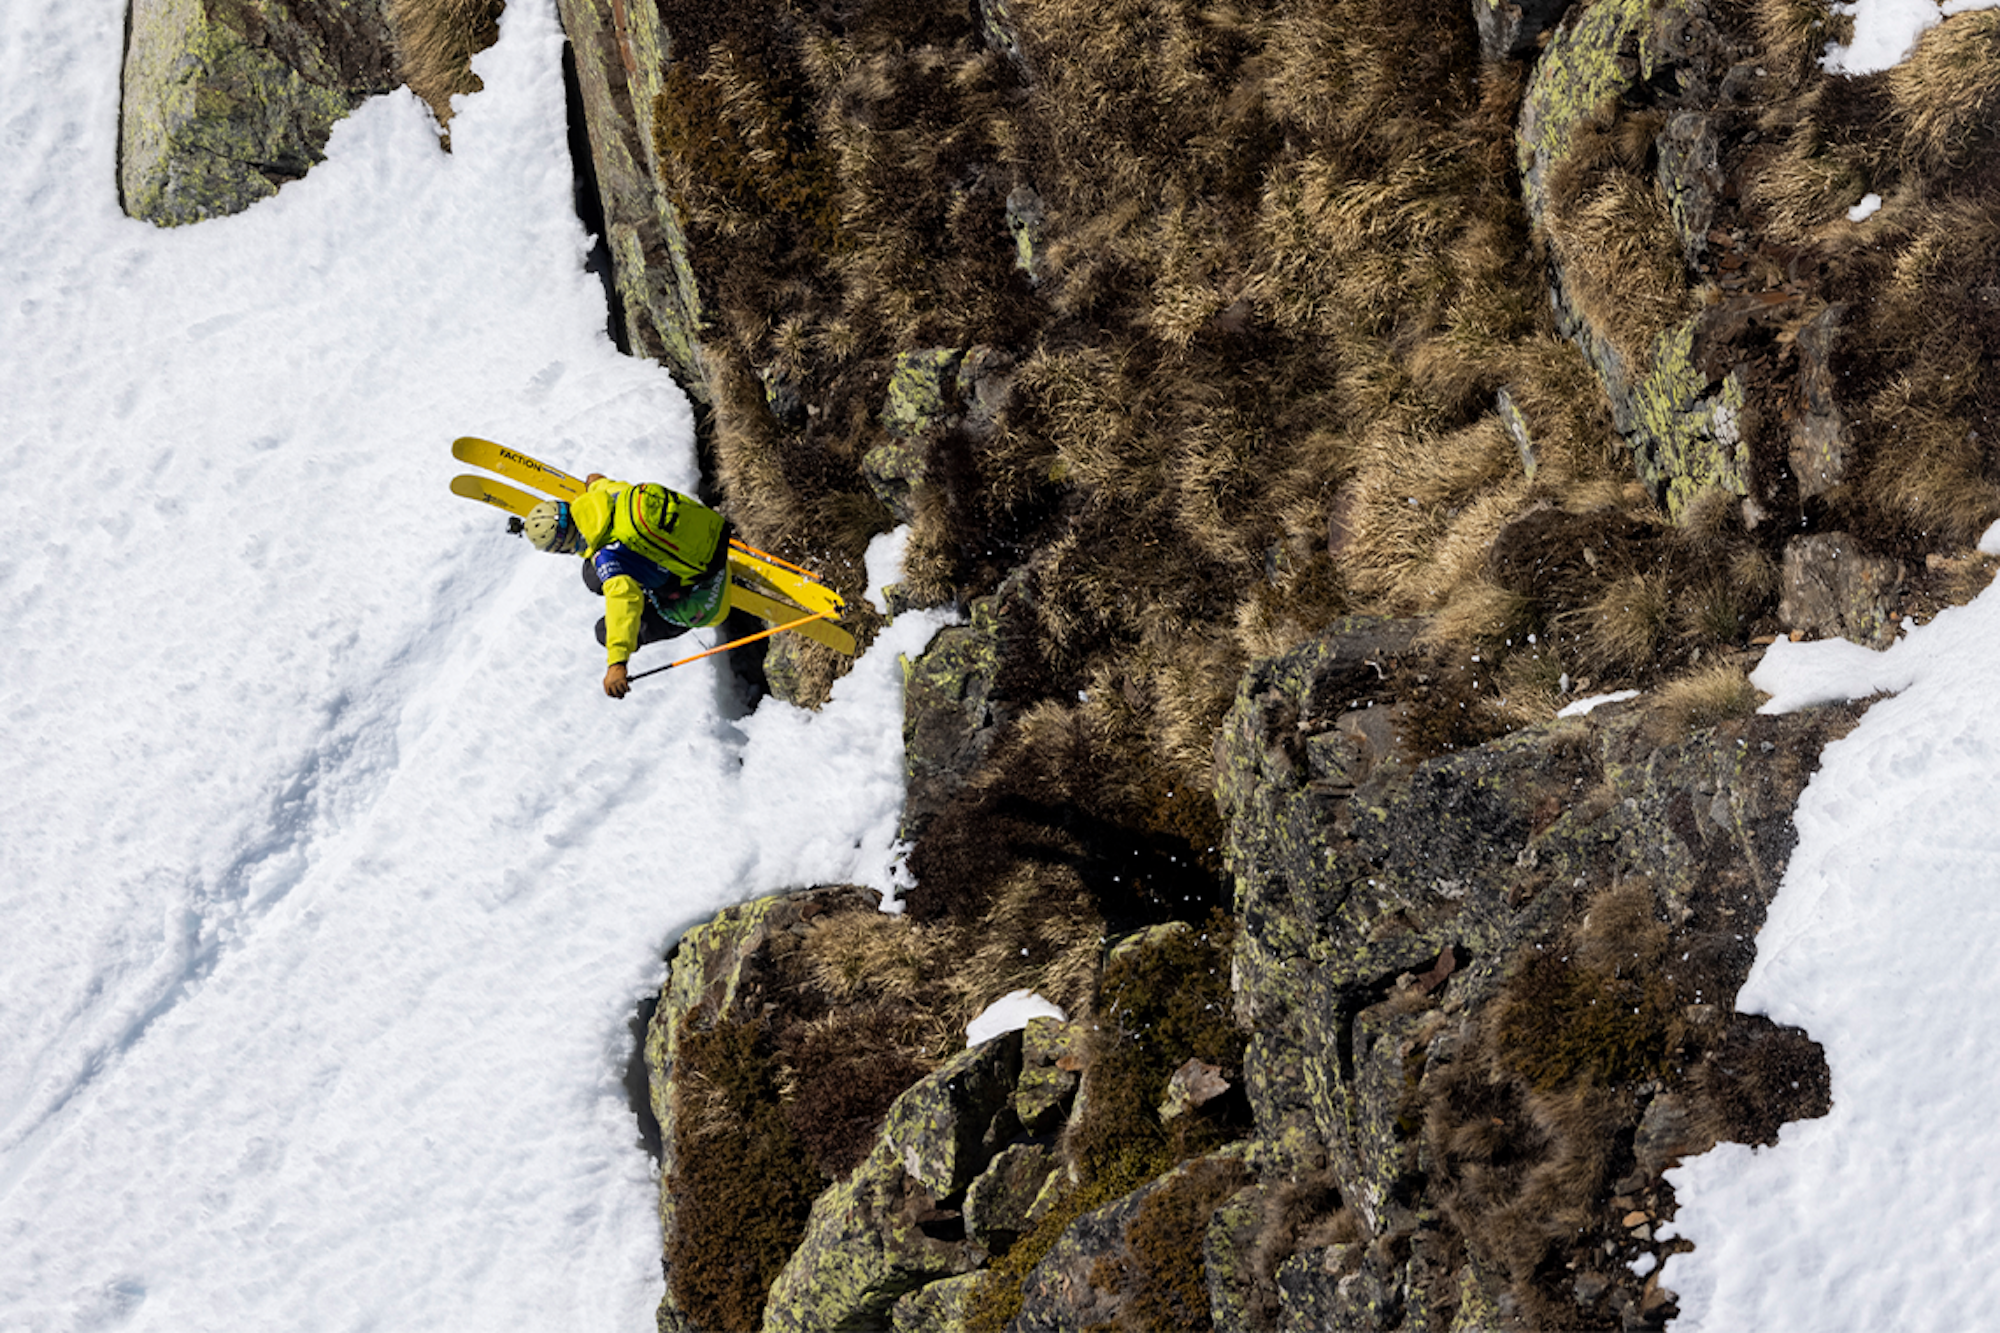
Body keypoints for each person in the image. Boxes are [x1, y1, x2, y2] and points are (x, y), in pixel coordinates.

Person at [514, 473, 732, 698]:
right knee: (592, 575)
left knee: (604, 631)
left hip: (704, 595)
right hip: (709, 531)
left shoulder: (610, 560)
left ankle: (662, 594)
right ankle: (657, 577)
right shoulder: (607, 496)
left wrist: (617, 662)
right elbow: (600, 483)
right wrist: (594, 482)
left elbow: (622, 603)